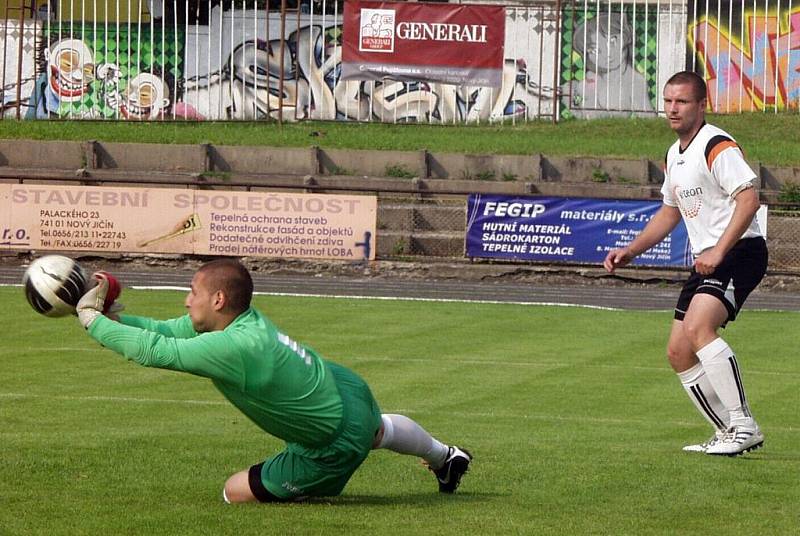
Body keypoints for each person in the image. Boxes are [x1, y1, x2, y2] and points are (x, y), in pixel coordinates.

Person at [75, 259, 472, 502]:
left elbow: (154, 351)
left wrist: (91, 320)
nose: (186, 300)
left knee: (234, 492)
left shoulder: (232, 347)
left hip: (331, 440)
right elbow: (163, 330)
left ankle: (312, 477)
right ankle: (445, 456)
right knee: (379, 428)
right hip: (345, 388)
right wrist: (115, 320)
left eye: (192, 292)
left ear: (217, 301)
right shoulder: (242, 318)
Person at [603, 71, 767, 456]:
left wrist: (718, 251)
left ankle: (744, 425)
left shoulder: (717, 145)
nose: (673, 109)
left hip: (739, 251)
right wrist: (631, 250)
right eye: (668, 101)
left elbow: (749, 200)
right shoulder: (673, 155)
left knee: (698, 327)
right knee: (678, 351)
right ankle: (727, 430)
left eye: (682, 102)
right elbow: (668, 212)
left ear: (701, 105)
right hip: (710, 260)